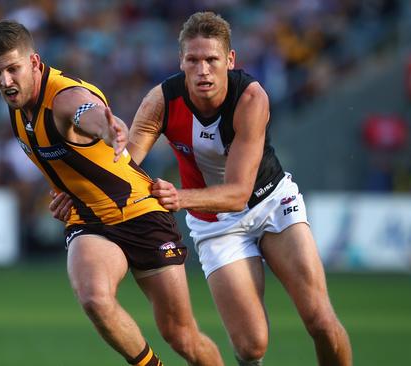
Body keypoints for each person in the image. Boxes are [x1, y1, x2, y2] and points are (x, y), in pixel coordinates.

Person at [51, 12, 352, 365]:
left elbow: (238, 192)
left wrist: (179, 197)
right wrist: (81, 190)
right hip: (214, 224)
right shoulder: (162, 100)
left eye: (211, 60)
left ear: (230, 60)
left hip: (271, 202)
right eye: (193, 61)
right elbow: (123, 163)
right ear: (181, 62)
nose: (202, 70)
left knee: (319, 319)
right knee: (252, 346)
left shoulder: (251, 98)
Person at [0, 19, 224, 366]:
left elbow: (85, 111)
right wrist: (62, 190)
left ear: (34, 62)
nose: (5, 81)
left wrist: (107, 128)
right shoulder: (18, 104)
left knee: (181, 335)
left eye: (12, 69)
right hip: (88, 218)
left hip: (141, 212)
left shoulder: (63, 97)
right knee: (94, 298)